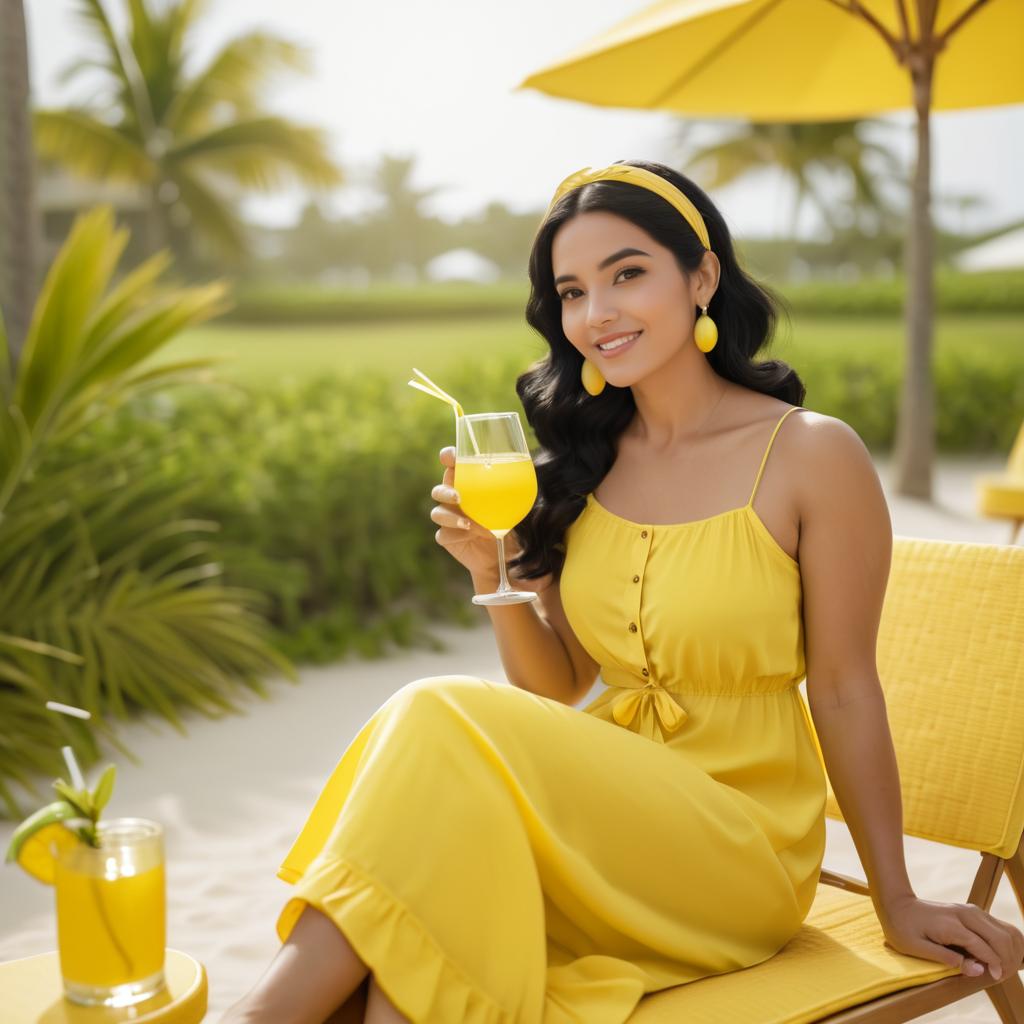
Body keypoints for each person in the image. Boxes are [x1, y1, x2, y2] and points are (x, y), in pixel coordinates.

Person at [223, 160, 1024, 1024]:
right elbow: (562, 686)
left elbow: (842, 688)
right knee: (397, 952)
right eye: (572, 292)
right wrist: (491, 576)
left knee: (431, 713)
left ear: (702, 277)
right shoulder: (582, 470)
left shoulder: (811, 455)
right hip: (599, 837)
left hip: (737, 856)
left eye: (627, 274)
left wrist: (895, 898)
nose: (596, 313)